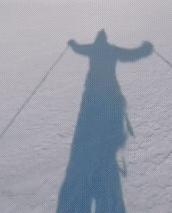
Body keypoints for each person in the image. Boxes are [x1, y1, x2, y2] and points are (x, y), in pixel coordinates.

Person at [57, 30, 152, 213]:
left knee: (90, 119)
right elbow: (131, 55)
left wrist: (72, 43)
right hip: (109, 94)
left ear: (96, 39)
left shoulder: (92, 49)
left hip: (92, 94)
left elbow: (79, 48)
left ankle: (90, 144)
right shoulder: (111, 50)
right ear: (106, 40)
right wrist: (146, 49)